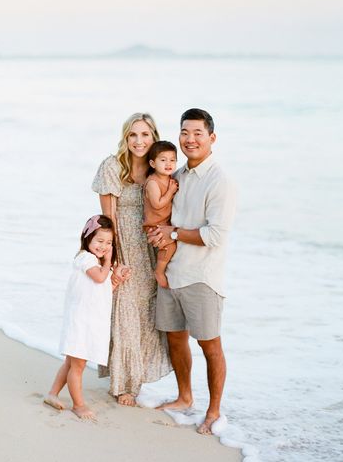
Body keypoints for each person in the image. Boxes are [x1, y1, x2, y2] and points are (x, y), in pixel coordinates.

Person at [148, 108, 236, 435]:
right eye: (185, 132)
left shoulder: (220, 181)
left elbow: (215, 235)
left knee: (210, 345)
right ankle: (184, 397)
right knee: (175, 338)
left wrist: (172, 232)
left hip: (202, 277)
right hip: (172, 272)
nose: (190, 139)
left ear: (212, 138)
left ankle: (213, 411)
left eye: (198, 133)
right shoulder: (177, 176)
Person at [92, 113, 172, 406]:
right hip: (125, 247)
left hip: (151, 249)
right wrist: (113, 259)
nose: (139, 141)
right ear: (125, 138)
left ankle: (136, 377)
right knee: (124, 312)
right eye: (133, 135)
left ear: (154, 137)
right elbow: (107, 219)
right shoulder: (112, 166)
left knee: (146, 316)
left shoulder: (159, 171)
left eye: (145, 135)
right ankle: (124, 383)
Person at [44, 214, 128, 421]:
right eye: (99, 241)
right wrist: (109, 262)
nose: (104, 246)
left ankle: (52, 394)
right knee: (78, 365)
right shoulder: (85, 258)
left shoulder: (99, 263)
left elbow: (105, 287)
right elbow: (99, 277)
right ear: (87, 237)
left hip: (91, 320)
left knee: (71, 363)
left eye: (108, 243)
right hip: (80, 319)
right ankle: (78, 405)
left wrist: (117, 278)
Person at [143, 140, 179, 288]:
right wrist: (170, 192)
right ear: (152, 164)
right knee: (169, 246)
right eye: (163, 160)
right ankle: (159, 271)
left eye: (172, 160)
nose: (168, 164)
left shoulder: (170, 179)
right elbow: (157, 204)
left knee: (173, 245)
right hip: (154, 225)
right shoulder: (153, 182)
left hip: (165, 223)